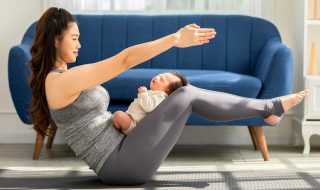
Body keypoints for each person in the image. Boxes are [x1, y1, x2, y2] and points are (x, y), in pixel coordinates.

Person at [29, 7, 308, 185]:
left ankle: (268, 110)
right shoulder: (59, 81)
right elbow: (124, 59)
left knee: (187, 97)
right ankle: (269, 108)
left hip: (126, 151)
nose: (80, 43)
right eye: (74, 38)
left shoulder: (62, 78)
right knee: (185, 94)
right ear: (56, 39)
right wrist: (174, 38)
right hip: (120, 164)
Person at [112, 72, 188, 135]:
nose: (157, 77)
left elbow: (148, 107)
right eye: (159, 75)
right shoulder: (154, 93)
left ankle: (117, 132)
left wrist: (143, 94)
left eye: (161, 79)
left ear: (167, 91)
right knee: (117, 116)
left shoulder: (160, 96)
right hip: (131, 119)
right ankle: (116, 129)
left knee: (118, 115)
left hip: (134, 126)